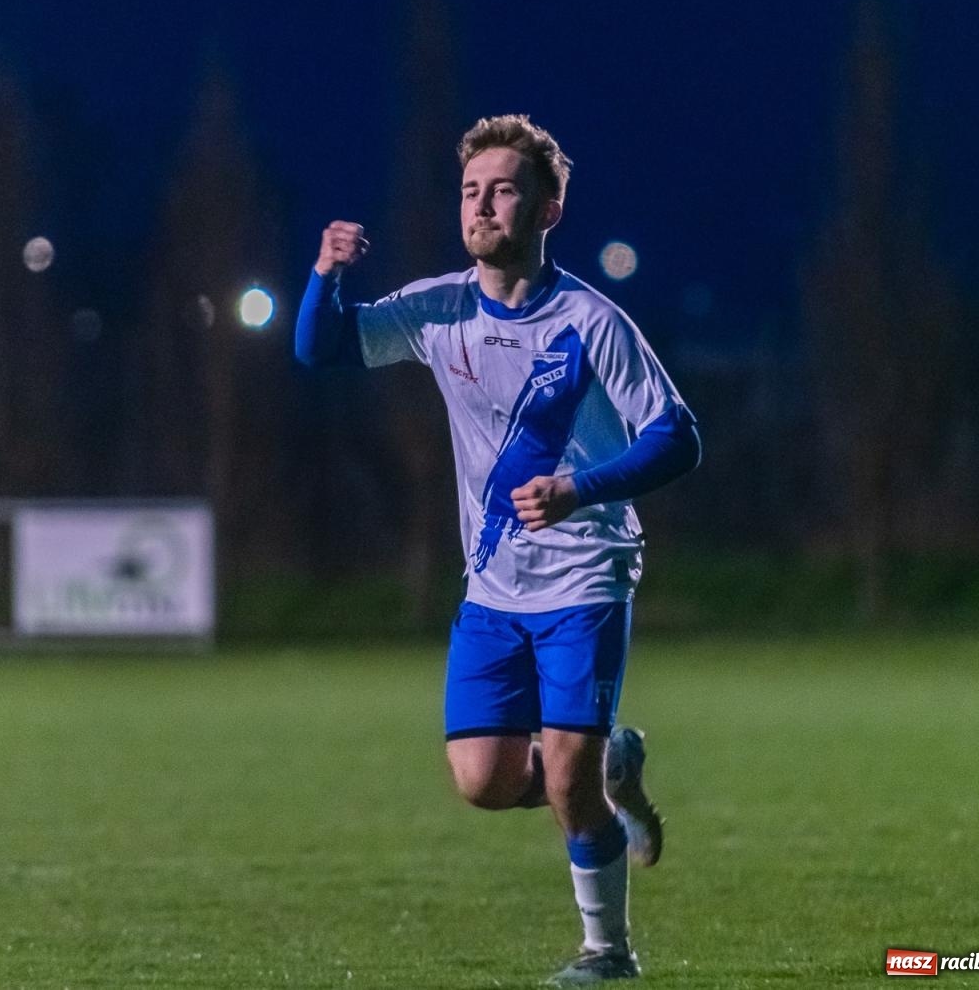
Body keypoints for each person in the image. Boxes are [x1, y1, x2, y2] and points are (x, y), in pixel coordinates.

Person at [293, 114, 700, 984]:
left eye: (503, 189)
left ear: (549, 208)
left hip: (586, 577)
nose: (480, 205)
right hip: (492, 588)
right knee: (482, 779)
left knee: (566, 784)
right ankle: (612, 763)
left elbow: (679, 438)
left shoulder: (592, 322)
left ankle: (609, 952)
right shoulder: (440, 308)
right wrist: (325, 275)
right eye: (471, 191)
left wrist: (580, 488)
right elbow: (320, 348)